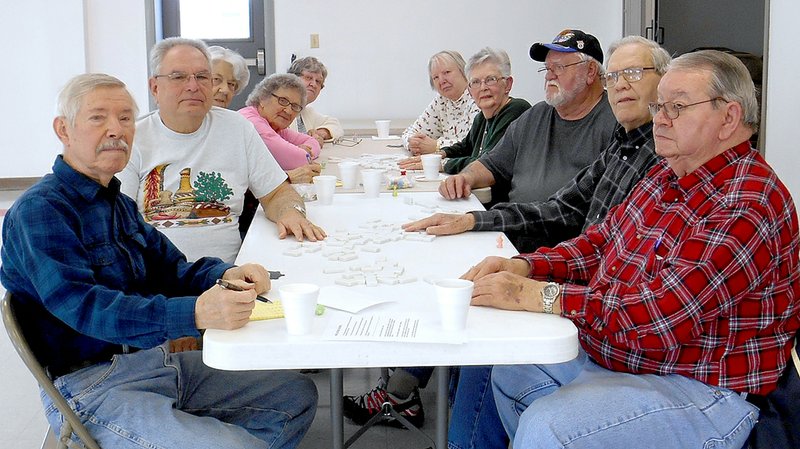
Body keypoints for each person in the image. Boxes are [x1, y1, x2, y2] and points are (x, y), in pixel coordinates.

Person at [470, 50, 799, 448]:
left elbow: (658, 317)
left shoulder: (748, 202)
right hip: (628, 359)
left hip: (702, 386)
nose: (660, 117)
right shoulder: (667, 172)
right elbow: (600, 243)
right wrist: (525, 265)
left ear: (728, 118)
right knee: (508, 368)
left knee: (550, 426)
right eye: (660, 105)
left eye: (677, 107)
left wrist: (542, 295)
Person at [0, 73, 318, 449]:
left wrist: (229, 273)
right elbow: (87, 309)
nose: (116, 130)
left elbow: (173, 270)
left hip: (155, 364)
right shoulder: (41, 212)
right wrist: (196, 314)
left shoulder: (117, 203)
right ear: (63, 129)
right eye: (98, 118)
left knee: (295, 394)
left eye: (125, 118)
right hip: (93, 388)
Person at [398, 36, 671, 449]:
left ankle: (425, 407)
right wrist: (477, 222)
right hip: (565, 268)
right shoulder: (624, 142)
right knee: (472, 309)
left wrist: (538, 290)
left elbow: (639, 292)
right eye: (617, 76)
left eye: (631, 75)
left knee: (487, 341)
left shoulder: (663, 155)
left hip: (600, 308)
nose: (621, 86)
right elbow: (571, 217)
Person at [119, 37, 325, 264]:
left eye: (202, 77)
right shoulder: (132, 139)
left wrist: (291, 211)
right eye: (178, 77)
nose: (193, 86)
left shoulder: (236, 128)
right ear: (155, 87)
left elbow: (276, 192)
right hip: (158, 280)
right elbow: (120, 226)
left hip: (227, 275)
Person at [438, 29, 618, 250]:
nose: (549, 75)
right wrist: (465, 177)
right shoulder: (536, 116)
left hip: (561, 250)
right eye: (547, 68)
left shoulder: (615, 122)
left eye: (559, 68)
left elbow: (583, 214)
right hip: (511, 234)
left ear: (591, 71)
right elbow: (491, 164)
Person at [398, 47, 531, 182]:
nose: (483, 87)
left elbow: (485, 163)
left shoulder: (515, 110)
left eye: (490, 79)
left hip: (504, 199)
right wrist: (437, 156)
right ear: (470, 89)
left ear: (508, 84)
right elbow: (465, 147)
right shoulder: (482, 118)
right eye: (476, 82)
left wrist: (442, 163)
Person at [239, 74, 323, 184]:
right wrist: (299, 152)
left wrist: (297, 151)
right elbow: (298, 159)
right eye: (283, 101)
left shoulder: (275, 126)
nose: (288, 111)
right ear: (263, 98)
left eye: (295, 106)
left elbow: (313, 142)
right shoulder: (251, 121)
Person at [401, 50, 480, 155]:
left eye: (447, 72)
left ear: (464, 71)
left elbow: (475, 145)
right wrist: (412, 143)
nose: (442, 80)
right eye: (435, 77)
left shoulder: (478, 97)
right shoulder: (441, 100)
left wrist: (437, 146)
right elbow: (410, 132)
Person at [287, 56, 344, 146]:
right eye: (308, 78)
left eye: (318, 81)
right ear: (292, 79)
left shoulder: (307, 111)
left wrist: (320, 133)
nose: (313, 84)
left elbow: (335, 125)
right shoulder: (279, 108)